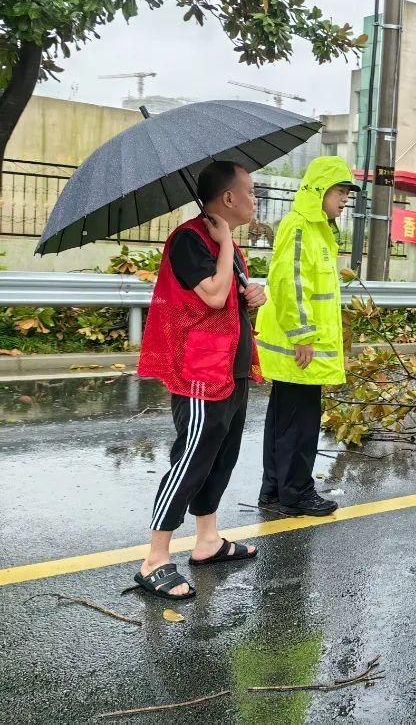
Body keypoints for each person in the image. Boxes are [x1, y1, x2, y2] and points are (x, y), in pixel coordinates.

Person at [134, 160, 266, 600]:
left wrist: (253, 298)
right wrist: (226, 241)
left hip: (232, 367)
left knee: (220, 456)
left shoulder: (222, 245)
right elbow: (210, 296)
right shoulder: (189, 240)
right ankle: (154, 558)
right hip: (199, 373)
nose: (254, 199)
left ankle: (207, 541)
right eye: (249, 192)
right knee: (190, 457)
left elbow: (230, 302)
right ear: (228, 198)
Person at [255, 156, 355, 517]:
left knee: (285, 420)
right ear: (319, 191)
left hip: (298, 346)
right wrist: (302, 335)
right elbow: (290, 283)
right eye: (340, 191)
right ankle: (296, 492)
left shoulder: (317, 228)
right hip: (298, 347)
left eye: (347, 193)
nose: (345, 199)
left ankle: (275, 489)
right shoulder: (300, 227)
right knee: (299, 424)